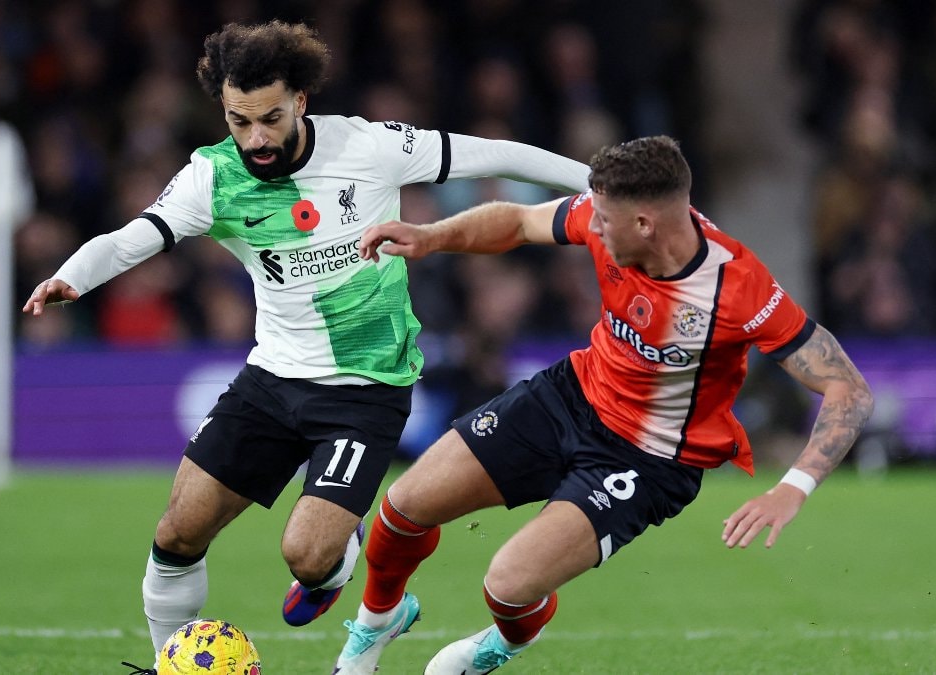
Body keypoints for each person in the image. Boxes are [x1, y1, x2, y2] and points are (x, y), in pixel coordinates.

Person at [19, 20, 590, 669]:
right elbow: (133, 237)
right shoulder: (213, 175)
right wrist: (72, 275)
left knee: (308, 556)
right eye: (239, 121)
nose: (255, 138)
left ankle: (336, 563)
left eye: (269, 119)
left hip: (366, 389)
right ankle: (168, 664)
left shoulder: (369, 146)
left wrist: (600, 183)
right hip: (271, 378)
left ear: (300, 100)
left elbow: (499, 154)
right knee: (177, 531)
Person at [332, 135, 874, 674]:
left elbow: (848, 389)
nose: (591, 226)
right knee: (404, 505)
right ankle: (377, 622)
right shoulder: (604, 213)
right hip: (572, 396)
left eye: (604, 220)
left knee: (508, 587)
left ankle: (508, 638)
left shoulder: (736, 287)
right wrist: (431, 236)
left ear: (645, 224)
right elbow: (518, 221)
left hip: (651, 459)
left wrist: (792, 488)